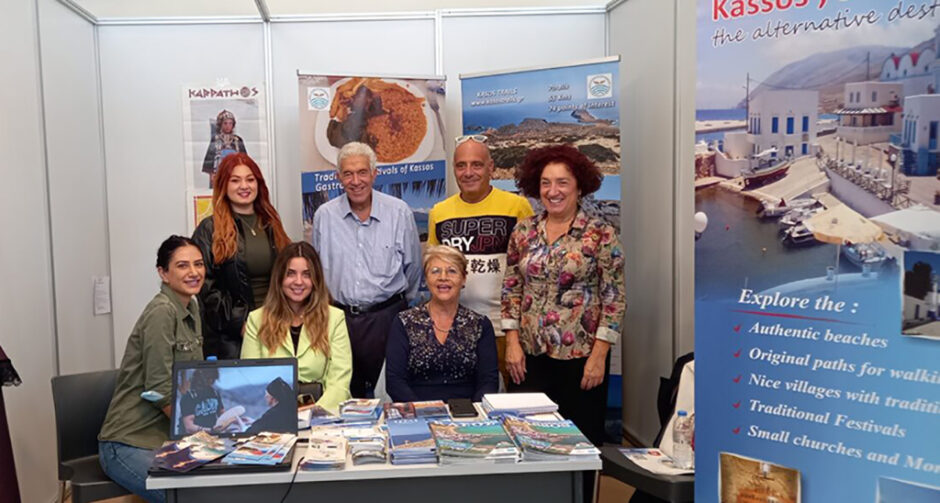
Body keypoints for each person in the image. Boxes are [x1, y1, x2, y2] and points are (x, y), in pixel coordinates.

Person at [501, 144, 626, 446]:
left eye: (562, 182)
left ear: (579, 187)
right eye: (546, 183)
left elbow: (614, 298)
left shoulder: (600, 234)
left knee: (579, 444)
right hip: (528, 356)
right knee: (529, 440)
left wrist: (599, 356)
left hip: (581, 359)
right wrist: (512, 343)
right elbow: (511, 288)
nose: (553, 191)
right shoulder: (524, 232)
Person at [98, 236, 206, 503]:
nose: (194, 272)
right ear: (163, 273)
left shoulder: (191, 306)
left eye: (198, 264)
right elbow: (160, 390)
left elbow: (195, 379)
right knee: (189, 499)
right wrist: (199, 431)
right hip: (130, 442)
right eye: (182, 265)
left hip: (166, 437)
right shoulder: (162, 312)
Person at [312, 142, 422, 397]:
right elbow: (317, 272)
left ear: (374, 174)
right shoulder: (324, 216)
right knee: (343, 394)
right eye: (348, 174)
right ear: (338, 177)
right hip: (339, 319)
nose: (356, 181)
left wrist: (397, 306)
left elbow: (414, 268)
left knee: (391, 394)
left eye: (362, 172)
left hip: (388, 318)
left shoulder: (399, 212)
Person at [427, 135, 533, 386]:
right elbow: (434, 268)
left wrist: (514, 333)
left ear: (491, 167)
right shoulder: (439, 213)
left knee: (510, 398)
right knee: (463, 399)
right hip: (456, 329)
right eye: (461, 165)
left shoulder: (517, 207)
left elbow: (531, 271)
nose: (468, 172)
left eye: (476, 164)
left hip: (505, 330)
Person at [193, 152, 290, 359]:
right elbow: (205, 287)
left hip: (276, 327)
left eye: (250, 179)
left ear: (259, 184)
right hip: (233, 338)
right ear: (223, 185)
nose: (244, 186)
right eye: (235, 180)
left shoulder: (271, 223)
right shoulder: (209, 229)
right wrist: (240, 323)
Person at [241, 242, 352, 412]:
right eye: (290, 274)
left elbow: (339, 382)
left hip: (324, 413)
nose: (299, 282)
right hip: (273, 414)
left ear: (316, 279)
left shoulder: (334, 318)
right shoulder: (256, 320)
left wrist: (314, 412)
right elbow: (251, 380)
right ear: (279, 277)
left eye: (307, 274)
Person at [385, 246, 499, 402]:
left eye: (452, 271)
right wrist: (424, 411)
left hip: (468, 411)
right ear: (426, 279)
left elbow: (489, 382)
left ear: (463, 279)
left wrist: (473, 411)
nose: (443, 277)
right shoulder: (404, 322)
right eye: (435, 271)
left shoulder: (480, 325)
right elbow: (394, 381)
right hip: (416, 410)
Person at [202, 110, 247, 184]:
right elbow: (210, 157)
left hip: (235, 172)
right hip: (220, 172)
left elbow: (244, 158)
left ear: (233, 125)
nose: (228, 126)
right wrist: (211, 174)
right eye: (225, 123)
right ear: (221, 124)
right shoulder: (216, 140)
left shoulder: (238, 140)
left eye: (230, 123)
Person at [178, 368, 224, 434]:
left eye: (213, 379)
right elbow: (189, 427)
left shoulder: (214, 393)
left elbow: (222, 413)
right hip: (195, 436)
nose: (211, 381)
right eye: (208, 378)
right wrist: (210, 430)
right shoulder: (189, 397)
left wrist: (233, 420)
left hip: (212, 433)